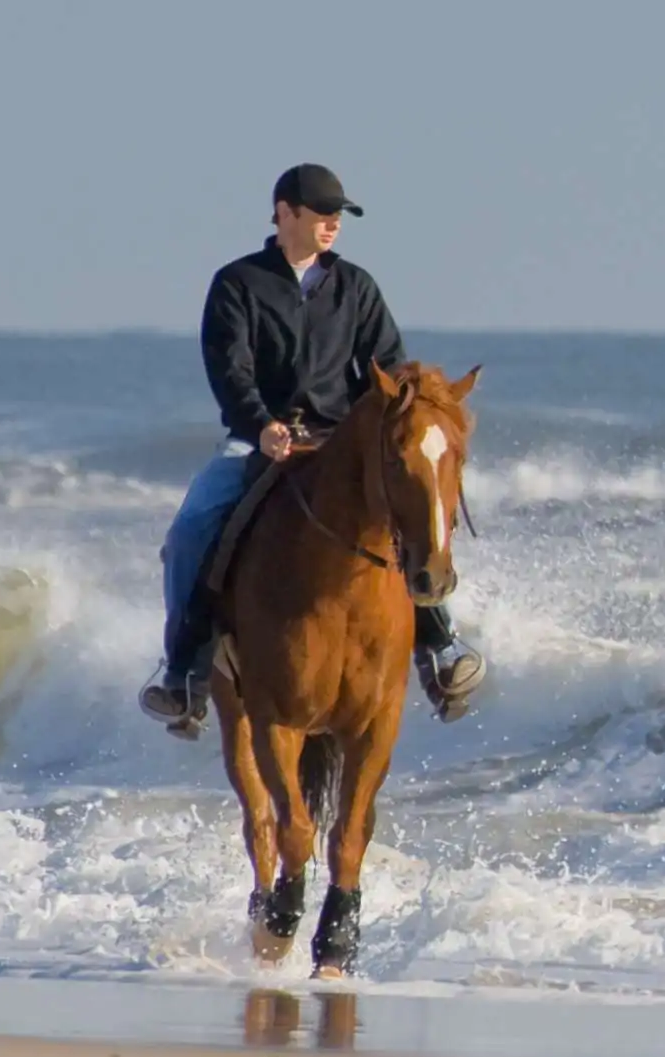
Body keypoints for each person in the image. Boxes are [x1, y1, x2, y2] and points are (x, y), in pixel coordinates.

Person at [139, 163, 488, 736]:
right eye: (322, 215)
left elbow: (390, 366)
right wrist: (262, 426)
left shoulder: (355, 287)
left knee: (407, 509)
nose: (332, 225)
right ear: (285, 214)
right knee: (189, 532)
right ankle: (182, 673)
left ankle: (440, 647)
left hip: (339, 441)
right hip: (260, 441)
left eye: (338, 217)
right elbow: (230, 370)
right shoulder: (238, 284)